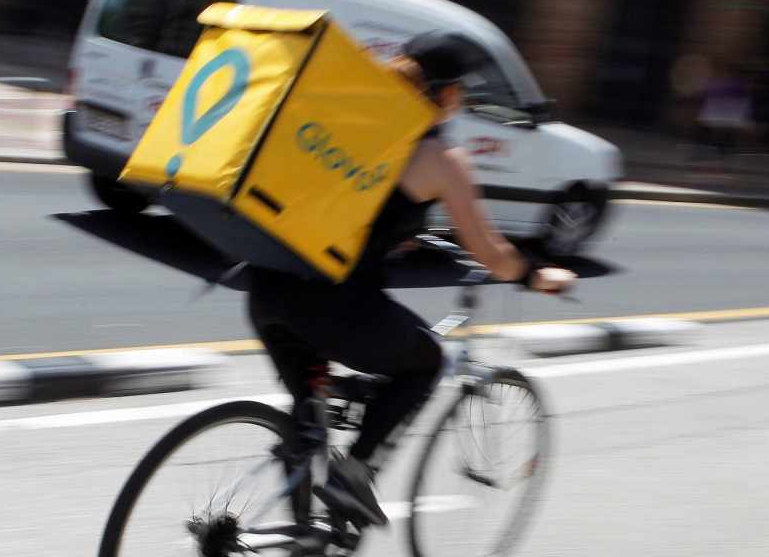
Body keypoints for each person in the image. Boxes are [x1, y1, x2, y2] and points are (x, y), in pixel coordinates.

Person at [246, 31, 575, 528]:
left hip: (267, 286)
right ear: (446, 94)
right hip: (330, 305)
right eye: (461, 91)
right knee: (425, 361)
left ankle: (302, 535)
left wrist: (400, 233)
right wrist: (536, 275)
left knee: (309, 413)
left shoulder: (348, 123)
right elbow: (492, 253)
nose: (462, 101)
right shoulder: (440, 159)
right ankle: (353, 475)